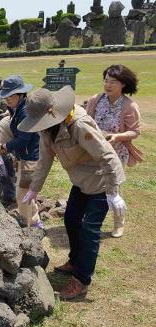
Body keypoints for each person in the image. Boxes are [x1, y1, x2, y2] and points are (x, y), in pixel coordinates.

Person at [19, 86, 125, 300]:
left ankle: (82, 279)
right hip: (80, 182)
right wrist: (33, 188)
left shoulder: (79, 124)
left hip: (101, 182)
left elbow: (108, 157)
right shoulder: (48, 129)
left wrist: (113, 192)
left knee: (89, 229)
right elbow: (45, 160)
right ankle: (75, 261)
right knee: (71, 219)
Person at [86, 64, 143, 238]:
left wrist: (117, 137)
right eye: (106, 80)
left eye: (113, 81)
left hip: (117, 154)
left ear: (123, 84)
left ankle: (119, 223)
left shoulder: (129, 106)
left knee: (114, 188)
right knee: (91, 186)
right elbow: (87, 122)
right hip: (94, 152)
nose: (108, 85)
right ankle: (91, 220)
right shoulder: (96, 99)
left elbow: (135, 131)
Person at [0, 75, 43, 228]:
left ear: (21, 94)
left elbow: (23, 139)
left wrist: (3, 148)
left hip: (30, 158)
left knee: (22, 195)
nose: (7, 98)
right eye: (5, 95)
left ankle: (27, 226)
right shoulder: (16, 109)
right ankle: (34, 221)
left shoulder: (25, 111)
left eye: (11, 95)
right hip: (23, 156)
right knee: (26, 192)